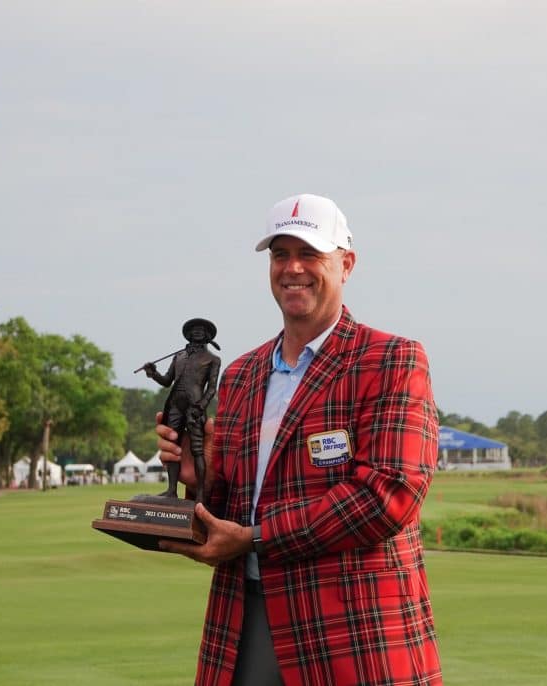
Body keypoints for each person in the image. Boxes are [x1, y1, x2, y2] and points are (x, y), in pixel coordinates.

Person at [156, 193, 442, 685]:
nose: (293, 268)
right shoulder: (244, 373)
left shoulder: (391, 360)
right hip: (243, 622)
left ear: (345, 264)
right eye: (280, 254)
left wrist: (256, 538)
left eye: (310, 253)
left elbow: (389, 495)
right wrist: (197, 480)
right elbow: (233, 507)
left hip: (352, 632)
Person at [143, 318, 221, 504]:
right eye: (194, 330)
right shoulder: (179, 356)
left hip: (195, 408)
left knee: (197, 450)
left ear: (207, 336)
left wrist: (200, 407)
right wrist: (153, 373)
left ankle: (201, 494)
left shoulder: (212, 359)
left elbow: (211, 389)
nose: (197, 332)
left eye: (201, 330)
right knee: (173, 446)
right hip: (175, 405)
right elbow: (167, 381)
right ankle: (171, 490)